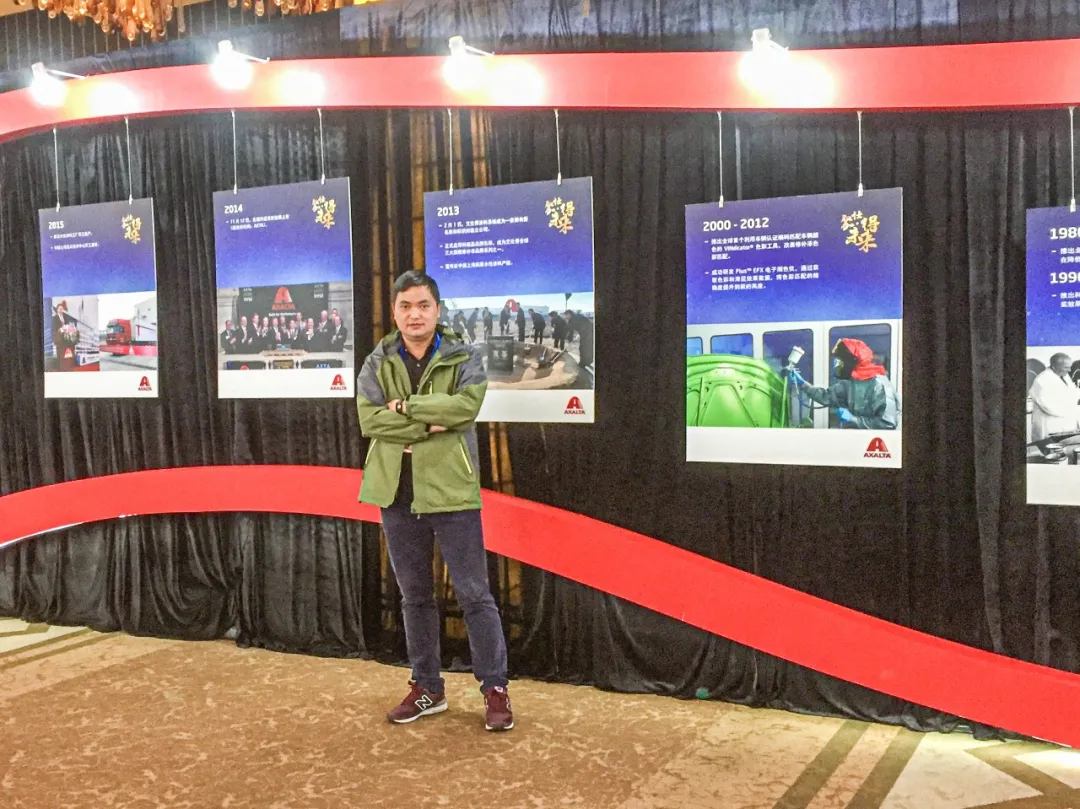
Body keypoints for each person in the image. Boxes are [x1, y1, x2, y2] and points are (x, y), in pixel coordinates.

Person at [356, 270, 513, 732]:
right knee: (415, 597)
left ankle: (495, 688)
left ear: (437, 310)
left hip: (451, 489)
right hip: (396, 491)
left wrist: (405, 408)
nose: (414, 314)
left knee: (474, 594)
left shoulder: (464, 355)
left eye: (423, 305)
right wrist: (431, 423)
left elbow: (465, 409)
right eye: (405, 306)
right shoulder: (378, 360)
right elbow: (369, 420)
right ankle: (427, 687)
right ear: (394, 312)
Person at [792, 338, 899, 429]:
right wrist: (802, 383)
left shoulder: (879, 384)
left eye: (840, 360)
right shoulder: (850, 384)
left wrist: (852, 419)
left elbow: (888, 423)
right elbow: (825, 396)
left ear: (851, 361)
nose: (837, 364)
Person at [1030, 352, 1080, 442]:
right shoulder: (1042, 380)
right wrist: (1072, 408)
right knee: (1051, 448)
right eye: (1066, 367)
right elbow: (1049, 406)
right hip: (1051, 427)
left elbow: (1072, 393)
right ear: (1054, 366)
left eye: (1070, 367)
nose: (1069, 370)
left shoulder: (1064, 376)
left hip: (1065, 427)